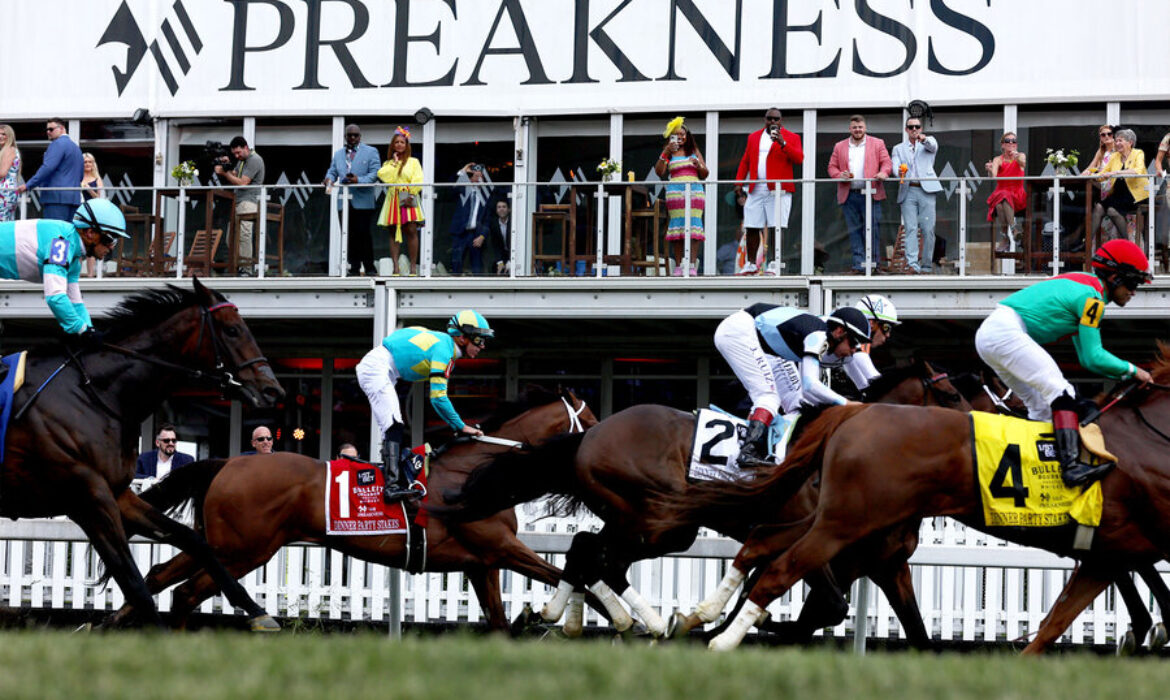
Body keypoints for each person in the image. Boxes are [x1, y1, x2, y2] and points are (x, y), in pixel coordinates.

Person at [974, 239, 1153, 487]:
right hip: (1005, 332)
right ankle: (1070, 467)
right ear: (1114, 277)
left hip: (992, 334)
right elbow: (1093, 356)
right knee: (1062, 392)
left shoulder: (1087, 286)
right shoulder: (1092, 300)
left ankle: (1036, 468)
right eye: (1132, 283)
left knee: (1040, 406)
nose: (1134, 291)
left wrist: (1126, 374)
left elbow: (1086, 360)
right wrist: (1134, 371)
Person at [356, 309, 493, 502]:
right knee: (394, 425)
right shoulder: (444, 350)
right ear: (462, 337)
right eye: (479, 340)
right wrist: (461, 426)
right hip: (378, 369)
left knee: (392, 427)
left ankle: (394, 478)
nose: (482, 346)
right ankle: (391, 486)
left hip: (383, 368)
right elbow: (438, 398)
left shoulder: (443, 344)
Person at [714, 304, 871, 467]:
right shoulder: (818, 336)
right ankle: (748, 451)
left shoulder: (822, 336)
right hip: (739, 332)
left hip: (767, 348)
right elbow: (810, 384)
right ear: (839, 332)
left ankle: (781, 451)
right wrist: (846, 404)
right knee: (768, 398)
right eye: (853, 342)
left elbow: (808, 394)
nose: (854, 350)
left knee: (798, 402)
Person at [0, 197, 126, 342]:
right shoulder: (61, 243)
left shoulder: (73, 258)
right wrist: (82, 330)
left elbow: (76, 302)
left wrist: (89, 328)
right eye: (110, 239)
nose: (111, 247)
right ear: (90, 233)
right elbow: (55, 296)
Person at [734, 108, 804, 275]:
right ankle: (751, 264)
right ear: (764, 119)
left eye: (776, 119)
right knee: (751, 226)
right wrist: (739, 182)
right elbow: (745, 160)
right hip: (756, 187)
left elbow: (799, 159)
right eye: (769, 119)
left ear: (781, 120)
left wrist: (782, 143)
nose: (773, 122)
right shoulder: (753, 137)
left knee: (776, 226)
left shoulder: (792, 137)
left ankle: (775, 262)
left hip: (778, 189)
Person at [827, 115, 892, 274]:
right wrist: (839, 175)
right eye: (854, 127)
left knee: (873, 229)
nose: (857, 130)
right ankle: (858, 265)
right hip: (849, 194)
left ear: (865, 128)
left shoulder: (877, 143)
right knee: (853, 230)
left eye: (860, 127)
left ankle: (874, 265)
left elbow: (887, 163)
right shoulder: (840, 146)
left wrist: (884, 173)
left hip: (872, 193)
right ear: (850, 129)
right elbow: (831, 167)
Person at [325, 124, 381, 276]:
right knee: (348, 235)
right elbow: (332, 171)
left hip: (363, 200)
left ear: (360, 136)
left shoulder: (371, 151)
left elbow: (375, 174)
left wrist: (358, 180)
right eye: (349, 135)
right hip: (344, 200)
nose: (352, 138)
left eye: (355, 135)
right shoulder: (338, 154)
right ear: (345, 137)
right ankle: (354, 268)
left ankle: (369, 267)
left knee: (363, 234)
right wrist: (329, 179)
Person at [655, 116, 708, 276]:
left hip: (694, 191)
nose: (680, 137)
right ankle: (678, 266)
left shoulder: (693, 151)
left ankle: (691, 265)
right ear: (671, 136)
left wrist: (698, 165)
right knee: (677, 228)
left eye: (682, 134)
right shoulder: (669, 152)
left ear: (687, 136)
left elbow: (705, 174)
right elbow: (659, 172)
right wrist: (665, 152)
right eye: (676, 134)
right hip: (675, 192)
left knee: (693, 227)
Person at [890, 117, 941, 274]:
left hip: (926, 190)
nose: (914, 129)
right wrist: (898, 171)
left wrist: (923, 139)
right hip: (908, 189)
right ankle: (913, 265)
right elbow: (895, 167)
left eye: (917, 126)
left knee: (928, 229)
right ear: (906, 129)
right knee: (910, 228)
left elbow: (932, 146)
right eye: (910, 127)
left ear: (921, 128)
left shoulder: (929, 141)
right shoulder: (898, 148)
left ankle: (926, 265)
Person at [377, 126, 424, 276]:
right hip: (393, 197)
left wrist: (411, 195)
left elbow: (418, 179)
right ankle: (395, 267)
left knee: (411, 230)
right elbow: (384, 177)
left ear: (406, 145)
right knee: (393, 232)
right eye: (396, 142)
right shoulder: (388, 164)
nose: (399, 145)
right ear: (393, 145)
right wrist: (395, 163)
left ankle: (413, 267)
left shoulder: (414, 161)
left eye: (402, 142)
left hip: (408, 195)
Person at [215, 136, 265, 275]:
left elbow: (243, 182)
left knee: (244, 235)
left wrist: (225, 173)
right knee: (230, 238)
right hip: (239, 202)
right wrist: (228, 165)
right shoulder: (242, 160)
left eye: (238, 153)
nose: (237, 155)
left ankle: (246, 269)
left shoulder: (254, 160)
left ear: (246, 148)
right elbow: (235, 176)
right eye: (234, 154)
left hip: (249, 202)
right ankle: (237, 266)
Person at [18, 118, 83, 222]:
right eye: (47, 130)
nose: (48, 132)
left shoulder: (57, 144)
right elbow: (80, 175)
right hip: (74, 198)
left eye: (51, 129)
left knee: (56, 233)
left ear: (61, 128)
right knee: (69, 233)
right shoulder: (76, 147)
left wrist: (28, 185)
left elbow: (48, 167)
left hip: (55, 198)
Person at [1092, 128, 1147, 245]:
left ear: (1130, 142)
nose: (1117, 144)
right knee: (1098, 207)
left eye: (1120, 141)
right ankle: (1086, 243)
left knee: (1112, 210)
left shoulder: (1138, 153)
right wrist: (1092, 174)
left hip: (1135, 194)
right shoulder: (1115, 156)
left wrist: (1116, 173)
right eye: (1116, 141)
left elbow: (1138, 170)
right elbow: (1103, 175)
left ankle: (1127, 243)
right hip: (1118, 194)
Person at [844, 294, 902, 391]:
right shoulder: (851, 341)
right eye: (886, 327)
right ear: (871, 323)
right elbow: (874, 378)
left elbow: (865, 386)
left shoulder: (854, 346)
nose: (888, 335)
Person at [985, 132, 1027, 253]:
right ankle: (1014, 231)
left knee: (1000, 201)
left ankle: (1005, 237)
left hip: (1017, 195)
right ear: (1002, 145)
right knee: (1001, 199)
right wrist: (989, 169)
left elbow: (1022, 163)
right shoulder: (998, 159)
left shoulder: (1021, 156)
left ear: (1016, 144)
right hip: (1002, 193)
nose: (1011, 143)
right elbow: (993, 176)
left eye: (1013, 141)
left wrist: (1016, 156)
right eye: (1008, 141)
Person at [449, 163, 492, 275]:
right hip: (460, 233)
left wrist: (482, 236)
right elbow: (452, 188)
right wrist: (463, 171)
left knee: (477, 266)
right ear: (470, 178)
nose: (478, 179)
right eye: (475, 176)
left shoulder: (486, 196)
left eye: (480, 177)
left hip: (476, 234)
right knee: (456, 263)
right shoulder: (464, 191)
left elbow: (488, 219)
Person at [80, 153, 104, 277]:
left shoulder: (97, 179)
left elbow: (100, 197)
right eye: (85, 162)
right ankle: (76, 273)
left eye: (90, 162)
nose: (87, 164)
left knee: (91, 244)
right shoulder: (77, 177)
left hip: (92, 213)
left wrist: (88, 188)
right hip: (79, 213)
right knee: (78, 243)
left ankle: (91, 274)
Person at [0, 124, 21, 222]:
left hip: (4, 190)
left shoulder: (9, 150)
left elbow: (2, 172)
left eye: (4, 134)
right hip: (8, 190)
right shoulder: (8, 150)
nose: (1, 136)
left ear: (10, 136)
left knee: (3, 224)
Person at [486, 198, 511, 274]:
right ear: (496, 210)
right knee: (496, 269)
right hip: (502, 255)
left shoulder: (514, 222)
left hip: (515, 254)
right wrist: (500, 263)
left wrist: (510, 261)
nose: (501, 209)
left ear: (509, 210)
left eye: (504, 207)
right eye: (499, 207)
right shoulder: (494, 224)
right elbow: (495, 245)